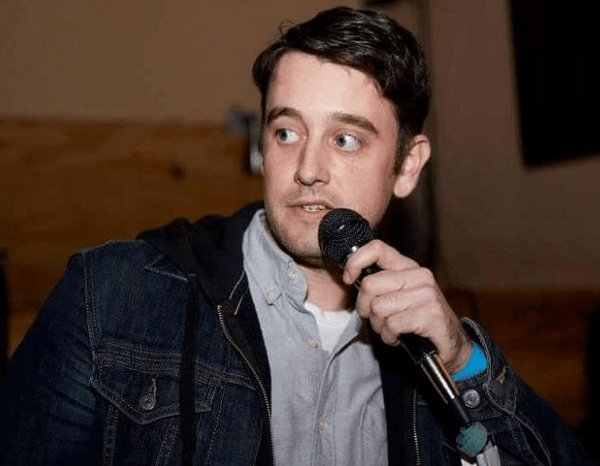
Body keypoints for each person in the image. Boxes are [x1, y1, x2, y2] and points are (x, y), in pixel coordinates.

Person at [0, 6, 589, 466]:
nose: (308, 168)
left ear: (408, 165)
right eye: (286, 132)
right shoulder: (110, 296)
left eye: (346, 139)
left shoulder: (429, 348)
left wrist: (463, 362)